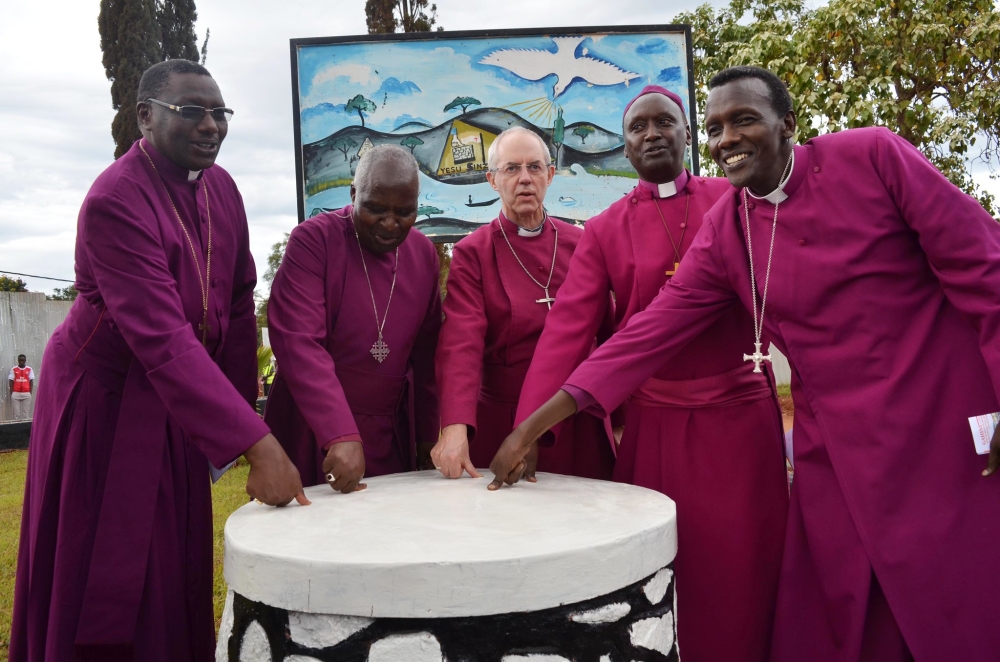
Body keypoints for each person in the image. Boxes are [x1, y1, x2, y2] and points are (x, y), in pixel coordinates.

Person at [493, 65, 1000, 662]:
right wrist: (533, 424)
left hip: (935, 417)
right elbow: (647, 334)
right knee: (838, 603)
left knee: (949, 589)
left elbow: (983, 267)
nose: (727, 138)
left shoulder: (874, 156)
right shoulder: (731, 226)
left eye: (744, 121)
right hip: (832, 444)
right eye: (717, 128)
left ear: (787, 125)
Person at [10, 60, 307, 662]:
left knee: (173, 557)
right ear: (145, 117)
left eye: (220, 113)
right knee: (106, 563)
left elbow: (233, 302)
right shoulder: (113, 200)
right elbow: (162, 335)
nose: (210, 126)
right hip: (106, 400)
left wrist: (241, 416)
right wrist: (258, 444)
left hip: (177, 397)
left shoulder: (221, 188)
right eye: (191, 111)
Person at [515, 85, 788, 662]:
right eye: (637, 128)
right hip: (656, 428)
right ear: (625, 147)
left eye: (665, 122)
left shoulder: (735, 198)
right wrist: (530, 428)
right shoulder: (606, 229)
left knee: (745, 568)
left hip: (740, 422)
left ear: (689, 134)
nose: (651, 134)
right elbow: (567, 329)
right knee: (665, 570)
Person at [432, 127, 615, 480]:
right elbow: (460, 343)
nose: (525, 179)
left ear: (550, 175)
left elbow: (609, 335)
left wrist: (619, 419)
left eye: (534, 167)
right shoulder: (474, 254)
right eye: (511, 169)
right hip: (504, 422)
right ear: (492, 180)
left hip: (578, 418)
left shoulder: (583, 244)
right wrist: (454, 426)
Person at [264, 145, 441, 493]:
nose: (390, 224)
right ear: (353, 194)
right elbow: (298, 342)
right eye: (375, 209)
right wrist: (338, 432)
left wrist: (425, 434)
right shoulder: (313, 240)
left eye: (404, 212)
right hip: (316, 428)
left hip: (392, 432)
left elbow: (426, 354)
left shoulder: (423, 254)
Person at [8, 354, 34, 421]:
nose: (21, 362)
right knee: (17, 414)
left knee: (25, 413)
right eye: (20, 360)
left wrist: (30, 392)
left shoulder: (29, 369)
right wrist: (12, 393)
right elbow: (11, 380)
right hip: (16, 393)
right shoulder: (14, 369)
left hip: (26, 393)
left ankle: (25, 429)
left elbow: (31, 381)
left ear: (25, 360)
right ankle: (16, 428)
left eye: (22, 360)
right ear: (18, 360)